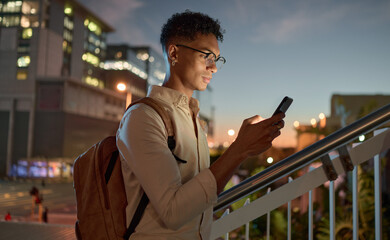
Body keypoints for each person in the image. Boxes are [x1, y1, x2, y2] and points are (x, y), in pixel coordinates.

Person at [116, 10, 285, 239]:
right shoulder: (143, 117)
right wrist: (239, 149)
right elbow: (173, 212)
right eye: (206, 56)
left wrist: (245, 150)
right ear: (174, 52)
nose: (213, 67)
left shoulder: (193, 119)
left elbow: (203, 192)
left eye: (217, 59)